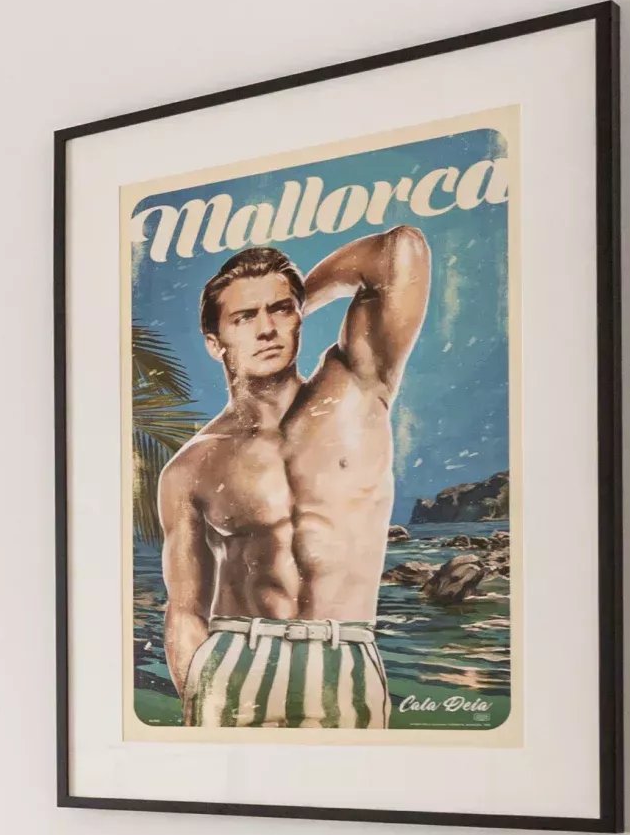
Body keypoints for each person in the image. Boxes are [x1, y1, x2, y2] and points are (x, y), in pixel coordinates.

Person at [151, 222, 430, 727]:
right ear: (215, 342)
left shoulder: (358, 389)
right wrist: (196, 703)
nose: (267, 329)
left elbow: (399, 251)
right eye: (244, 317)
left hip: (344, 653)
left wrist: (302, 296)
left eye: (280, 310)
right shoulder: (192, 466)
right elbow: (186, 610)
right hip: (236, 657)